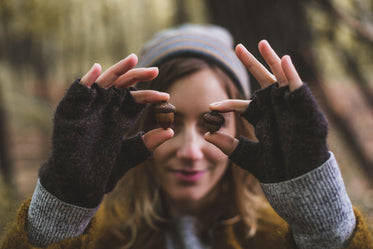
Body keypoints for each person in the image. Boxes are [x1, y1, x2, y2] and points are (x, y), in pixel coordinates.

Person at [1, 24, 373, 249]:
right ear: (136, 129)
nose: (191, 151)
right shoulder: (92, 240)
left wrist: (325, 228)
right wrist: (60, 213)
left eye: (212, 124)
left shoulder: (282, 240)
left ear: (243, 129)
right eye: (171, 122)